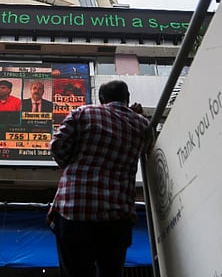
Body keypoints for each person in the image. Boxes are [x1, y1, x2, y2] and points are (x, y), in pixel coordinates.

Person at [48, 80, 149, 276]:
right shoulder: (142, 125)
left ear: (101, 100)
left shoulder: (83, 113)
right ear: (127, 98)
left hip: (74, 210)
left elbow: (57, 147)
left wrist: (74, 164)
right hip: (117, 217)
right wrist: (138, 116)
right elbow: (147, 148)